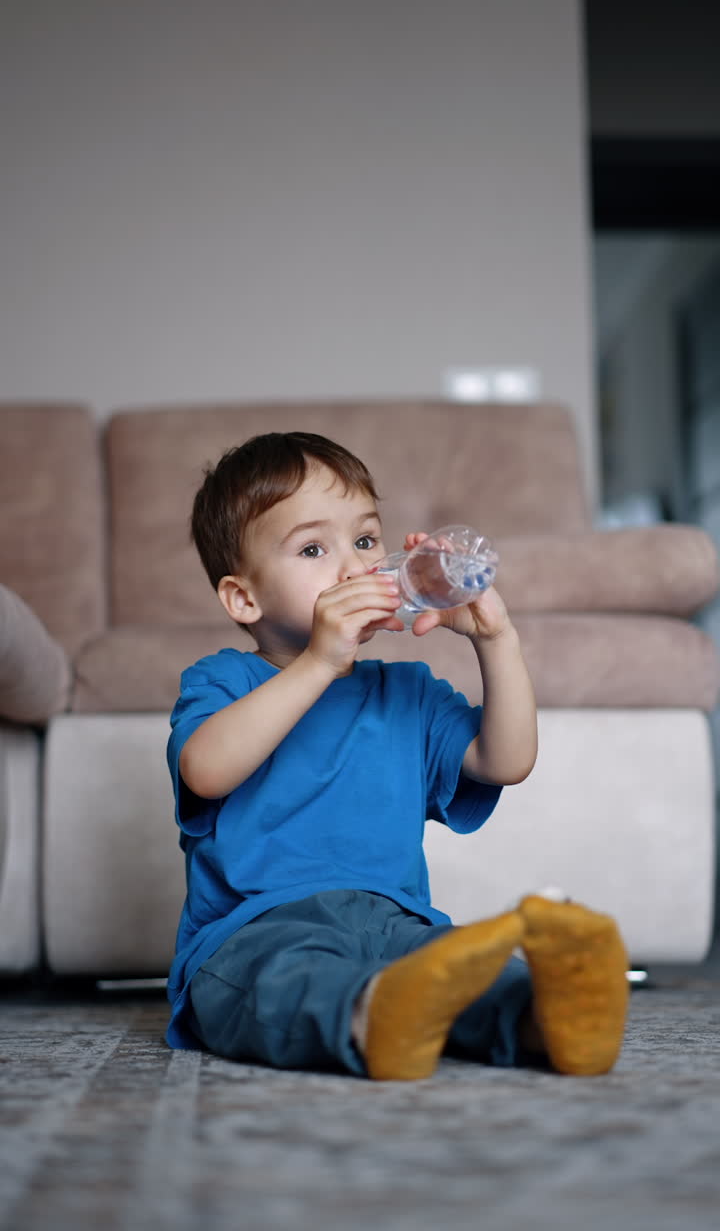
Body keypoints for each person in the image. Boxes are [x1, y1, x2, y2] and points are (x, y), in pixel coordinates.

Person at [165, 430, 629, 1079]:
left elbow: (507, 760)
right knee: (281, 984)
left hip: (396, 919)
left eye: (363, 540)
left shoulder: (406, 691)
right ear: (245, 598)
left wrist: (495, 638)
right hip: (258, 930)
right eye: (313, 548)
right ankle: (370, 1013)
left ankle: (546, 1017)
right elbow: (206, 770)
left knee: (466, 967)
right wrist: (322, 660)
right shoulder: (222, 683)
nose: (356, 568)